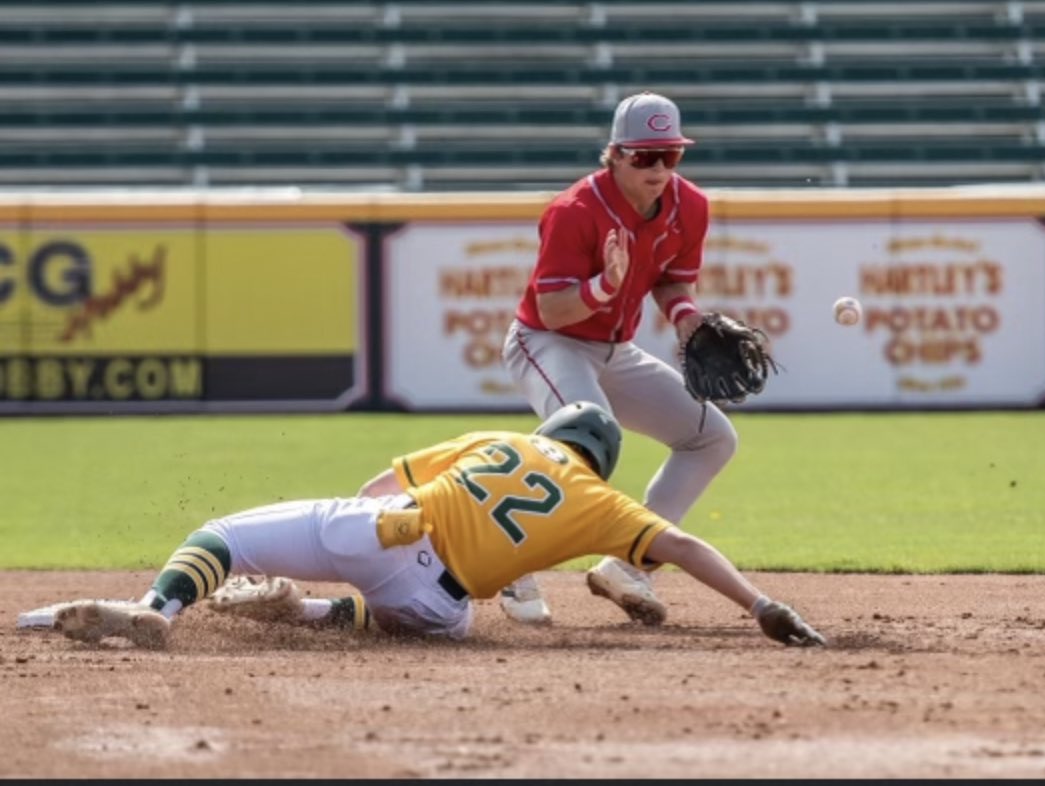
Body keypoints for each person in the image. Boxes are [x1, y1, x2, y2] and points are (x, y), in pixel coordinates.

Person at [37, 402, 825, 650]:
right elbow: (682, 545)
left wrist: (338, 540)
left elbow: (384, 485)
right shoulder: (601, 503)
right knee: (437, 621)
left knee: (223, 536)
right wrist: (761, 607)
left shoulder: (506, 440)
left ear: (552, 429)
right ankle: (309, 612)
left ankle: (158, 610)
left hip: (384, 530)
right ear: (602, 459)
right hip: (438, 602)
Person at [500, 90, 736, 626]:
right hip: (546, 343)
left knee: (711, 437)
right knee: (584, 447)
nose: (658, 168)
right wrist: (605, 285)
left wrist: (685, 318)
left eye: (670, 155)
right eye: (644, 156)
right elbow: (553, 311)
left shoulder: (690, 205)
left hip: (615, 350)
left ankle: (629, 566)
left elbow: (675, 280)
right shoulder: (573, 212)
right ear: (615, 154)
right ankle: (509, 569)